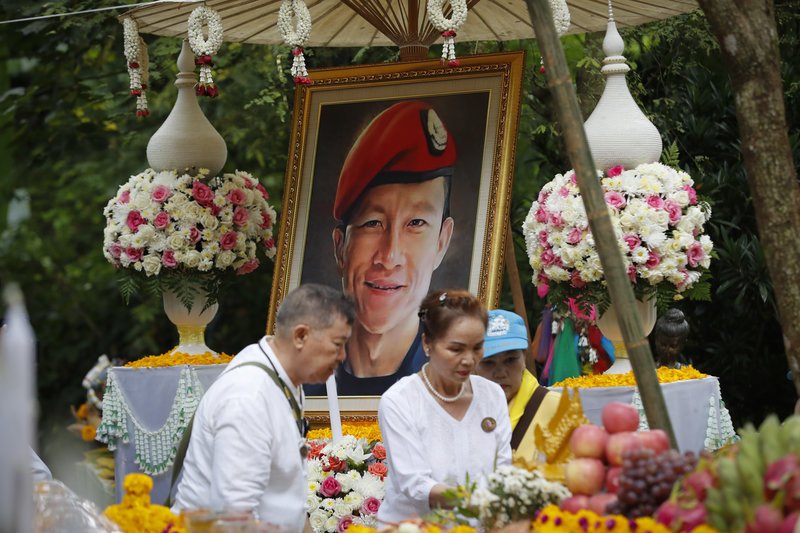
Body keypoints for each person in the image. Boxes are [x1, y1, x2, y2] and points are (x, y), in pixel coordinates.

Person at [172, 284, 354, 530]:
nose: (343, 356)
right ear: (301, 336)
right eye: (338, 344)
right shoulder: (248, 397)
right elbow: (234, 518)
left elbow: (286, 501)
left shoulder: (284, 379)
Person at [306, 100, 457, 397]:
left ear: (441, 242)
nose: (389, 258)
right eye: (373, 224)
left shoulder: (453, 385)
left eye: (415, 223)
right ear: (340, 248)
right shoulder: (303, 384)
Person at [377, 289, 511, 522]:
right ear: (428, 344)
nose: (469, 359)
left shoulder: (492, 395)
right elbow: (415, 483)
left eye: (477, 347)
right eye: (456, 349)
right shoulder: (399, 401)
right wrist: (476, 500)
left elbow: (503, 470)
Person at [475, 309, 561, 465]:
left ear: (524, 358)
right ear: (473, 363)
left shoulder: (557, 407)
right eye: (488, 362)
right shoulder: (457, 410)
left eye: (510, 360)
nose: (500, 373)